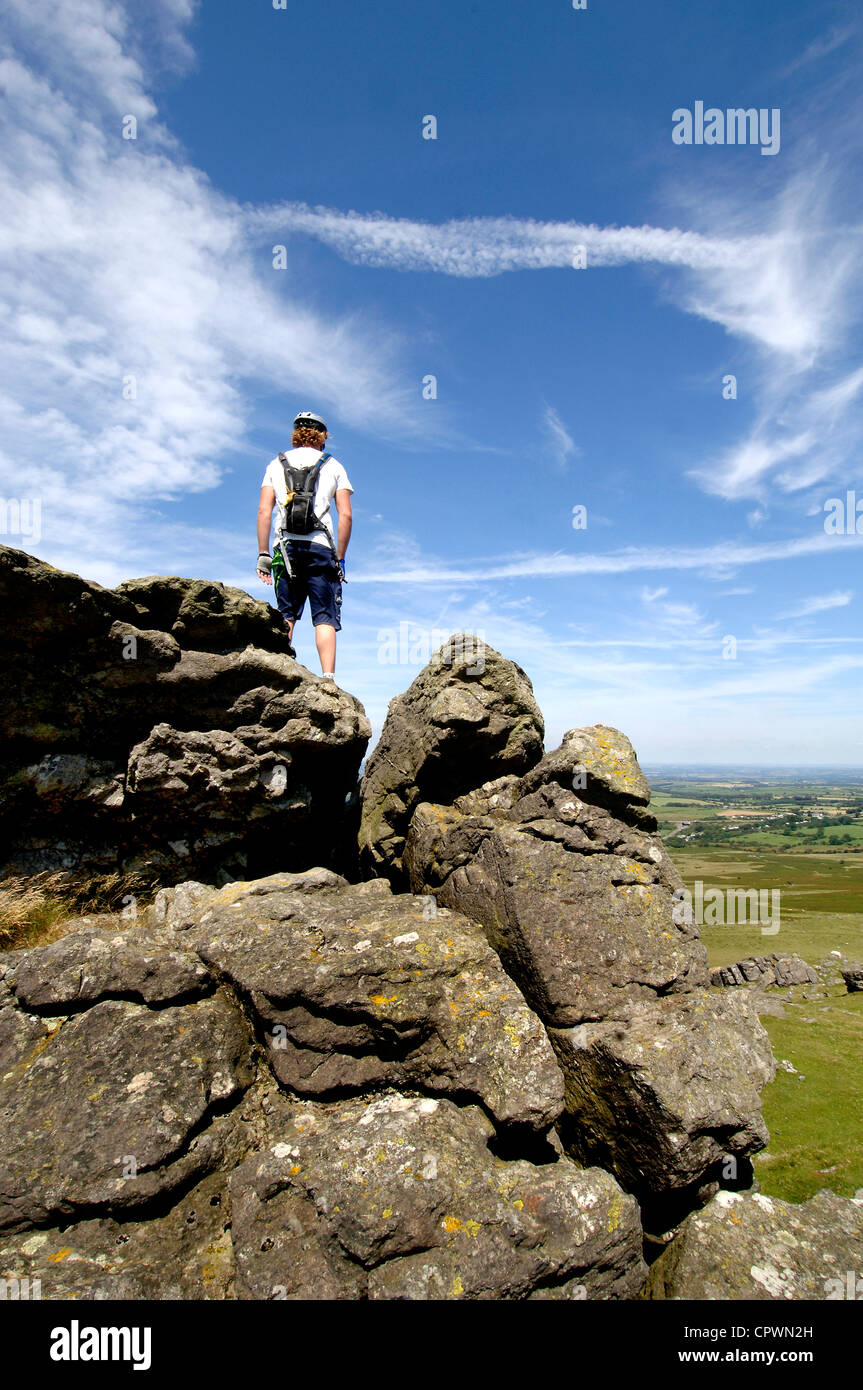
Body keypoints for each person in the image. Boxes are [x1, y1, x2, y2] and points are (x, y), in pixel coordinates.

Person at [256, 410, 353, 680]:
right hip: (321, 548)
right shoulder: (333, 465)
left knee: (286, 613)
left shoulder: (276, 464)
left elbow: (264, 511)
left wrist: (263, 553)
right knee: (324, 615)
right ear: (322, 436)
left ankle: (278, 672)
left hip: (285, 549)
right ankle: (328, 678)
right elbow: (345, 514)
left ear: (295, 434)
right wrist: (340, 557)